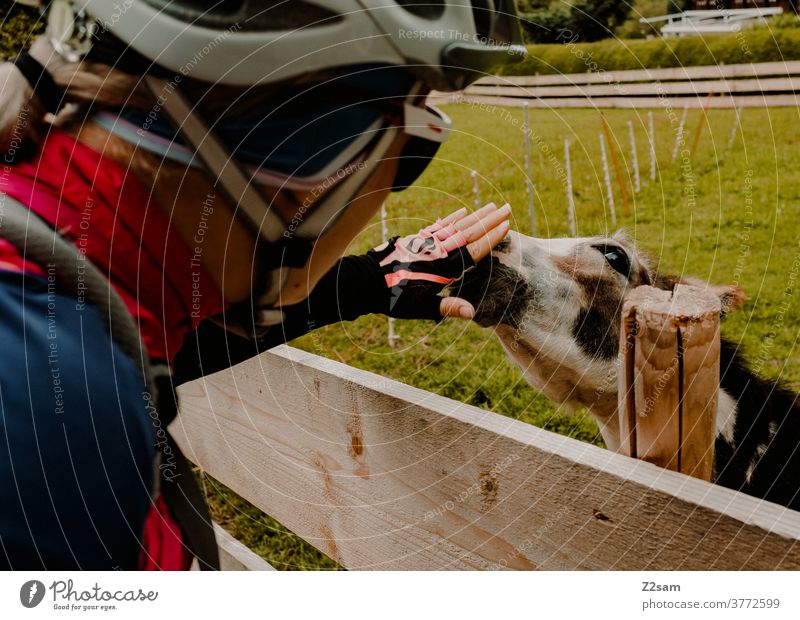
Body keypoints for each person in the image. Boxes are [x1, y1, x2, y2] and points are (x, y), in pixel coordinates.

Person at [0, 0, 524, 569]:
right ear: (313, 144)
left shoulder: (55, 317)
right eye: (414, 133)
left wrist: (363, 282)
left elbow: (152, 342)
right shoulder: (55, 416)